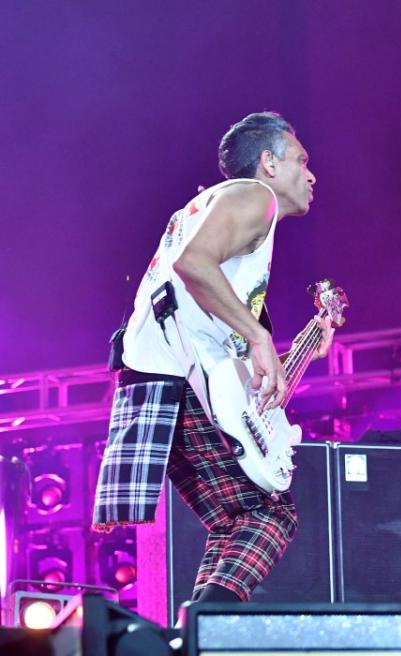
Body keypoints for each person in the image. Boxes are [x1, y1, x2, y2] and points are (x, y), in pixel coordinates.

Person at [92, 112, 334, 604]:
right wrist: (259, 338)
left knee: (236, 519)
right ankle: (206, 625)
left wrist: (290, 345)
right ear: (267, 162)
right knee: (270, 515)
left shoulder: (208, 208)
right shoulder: (253, 196)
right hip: (180, 380)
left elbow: (201, 303)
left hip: (160, 380)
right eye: (300, 160)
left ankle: (199, 631)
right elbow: (193, 264)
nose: (311, 175)